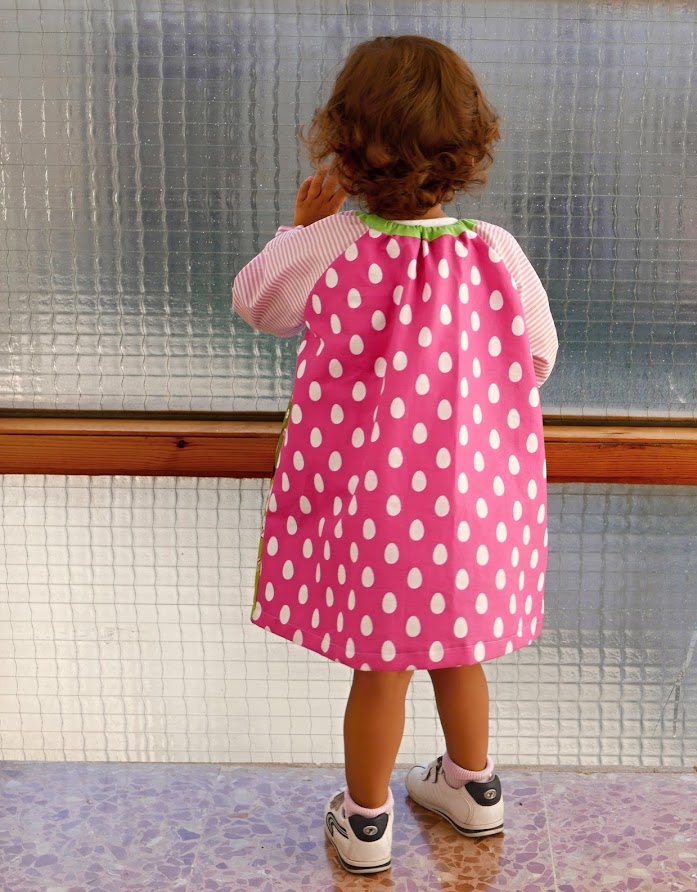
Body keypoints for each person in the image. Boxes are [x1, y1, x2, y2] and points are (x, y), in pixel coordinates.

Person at [232, 34, 558, 875]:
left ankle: (367, 819)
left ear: (344, 146)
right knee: (460, 650)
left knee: (381, 666)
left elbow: (258, 304)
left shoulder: (331, 244)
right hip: (471, 506)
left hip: (373, 508)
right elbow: (538, 355)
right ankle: (473, 787)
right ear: (468, 148)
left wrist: (298, 227)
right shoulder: (496, 251)